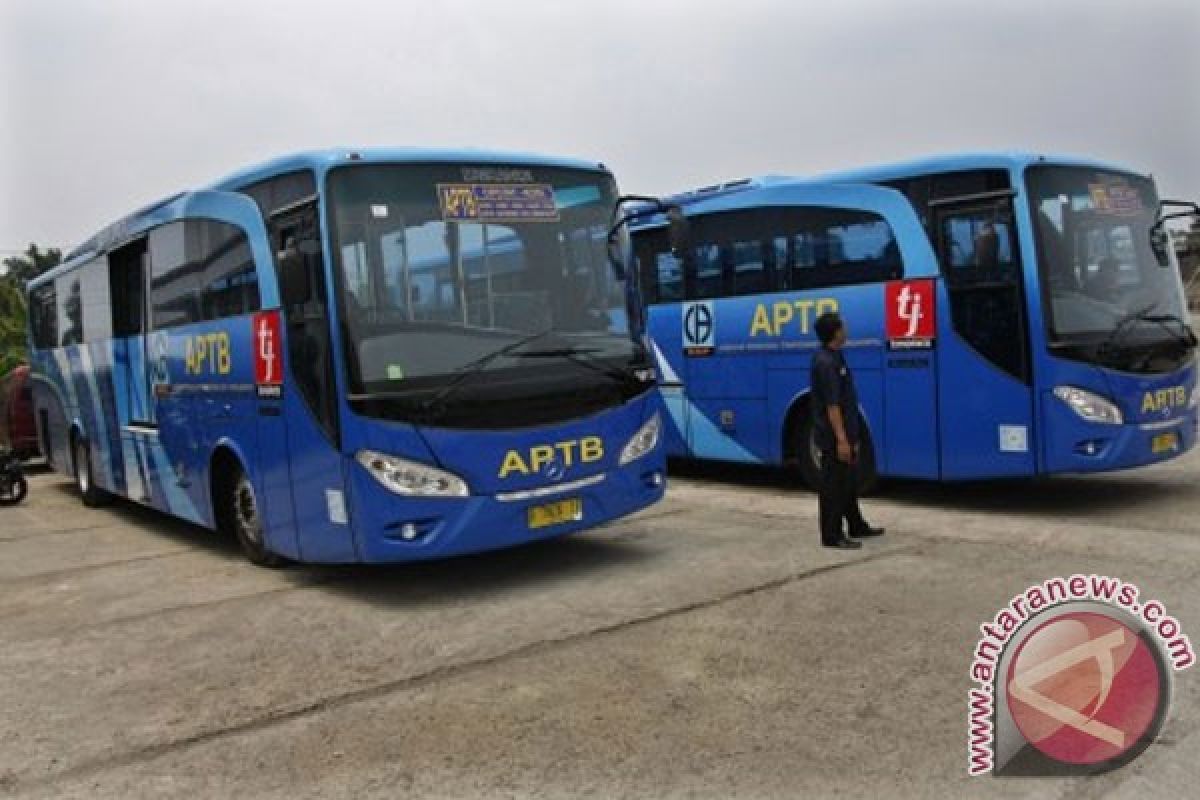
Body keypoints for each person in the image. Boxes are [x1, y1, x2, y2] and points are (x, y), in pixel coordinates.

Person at [810, 311, 885, 549]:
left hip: (846, 432)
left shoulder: (836, 357)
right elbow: (832, 406)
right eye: (843, 327)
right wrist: (842, 440)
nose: (847, 330)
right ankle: (831, 535)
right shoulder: (825, 363)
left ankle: (855, 524)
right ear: (835, 332)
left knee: (849, 481)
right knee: (833, 486)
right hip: (833, 436)